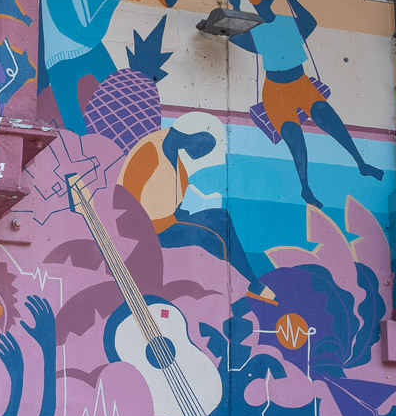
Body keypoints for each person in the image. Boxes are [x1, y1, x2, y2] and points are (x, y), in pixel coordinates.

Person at [228, 0, 383, 208]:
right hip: (276, 92)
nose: (262, 0)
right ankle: (305, 188)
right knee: (294, 136)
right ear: (252, 4)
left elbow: (310, 22)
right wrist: (236, 8)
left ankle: (361, 163)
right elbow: (236, 37)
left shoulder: (287, 23)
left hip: (301, 83)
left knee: (327, 117)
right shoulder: (256, 31)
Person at [118, 111, 277, 303]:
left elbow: (170, 199)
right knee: (211, 238)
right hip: (149, 230)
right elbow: (124, 197)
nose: (204, 152)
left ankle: (251, 280)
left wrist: (181, 212)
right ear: (191, 133)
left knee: (221, 217)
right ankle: (248, 283)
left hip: (168, 222)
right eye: (205, 144)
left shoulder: (174, 154)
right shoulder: (150, 149)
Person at [41, 0, 135, 134]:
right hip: (62, 59)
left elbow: (93, 7)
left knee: (121, 97)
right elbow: (84, 34)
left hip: (87, 51)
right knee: (74, 124)